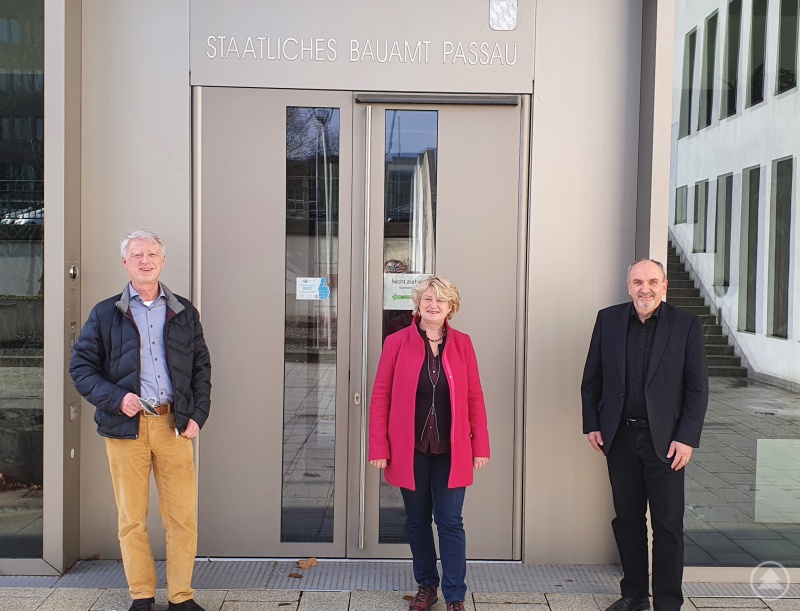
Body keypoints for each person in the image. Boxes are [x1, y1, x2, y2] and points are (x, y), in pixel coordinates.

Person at [70, 229, 212, 611]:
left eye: (151, 254)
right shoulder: (105, 312)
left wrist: (198, 414)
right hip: (125, 429)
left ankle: (181, 597)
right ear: (125, 262)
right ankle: (141, 595)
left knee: (182, 518)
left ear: (162, 261)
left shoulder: (183, 310)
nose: (145, 260)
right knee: (132, 518)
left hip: (174, 426)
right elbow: (81, 368)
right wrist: (117, 398)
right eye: (137, 255)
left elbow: (201, 366)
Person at [581, 259, 708, 611]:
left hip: (666, 443)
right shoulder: (608, 320)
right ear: (628, 286)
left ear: (664, 287)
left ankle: (668, 603)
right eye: (638, 282)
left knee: (668, 527)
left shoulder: (686, 325)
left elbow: (697, 389)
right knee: (627, 521)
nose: (645, 288)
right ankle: (634, 595)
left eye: (652, 281)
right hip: (619, 439)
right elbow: (592, 377)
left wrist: (687, 438)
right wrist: (592, 422)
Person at [369, 276, 490, 611]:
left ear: (451, 307)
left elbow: (474, 397)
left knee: (450, 520)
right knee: (417, 518)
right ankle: (426, 584)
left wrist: (480, 445)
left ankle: (455, 595)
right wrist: (379, 446)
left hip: (452, 450)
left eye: (441, 300)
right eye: (427, 299)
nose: (433, 305)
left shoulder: (463, 344)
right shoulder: (396, 342)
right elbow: (381, 396)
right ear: (418, 304)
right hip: (412, 450)